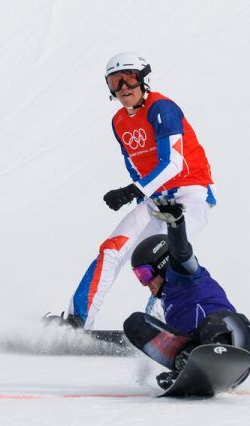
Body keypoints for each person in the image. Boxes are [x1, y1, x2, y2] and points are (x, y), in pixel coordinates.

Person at [56, 51, 218, 331]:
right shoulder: (119, 121)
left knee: (168, 256)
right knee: (112, 249)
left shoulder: (162, 109)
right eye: (114, 82)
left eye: (129, 79)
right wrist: (139, 192)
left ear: (144, 80)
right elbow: (135, 166)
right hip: (156, 199)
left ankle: (163, 324)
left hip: (190, 196)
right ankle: (76, 321)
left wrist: (132, 191)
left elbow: (173, 163)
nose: (123, 89)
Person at [123, 198, 250, 389]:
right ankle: (187, 365)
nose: (146, 283)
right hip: (203, 352)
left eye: (145, 274)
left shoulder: (183, 274)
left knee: (212, 323)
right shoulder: (168, 301)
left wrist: (176, 224)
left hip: (237, 337)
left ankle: (217, 351)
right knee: (135, 323)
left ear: (162, 264)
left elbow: (182, 254)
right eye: (139, 277)